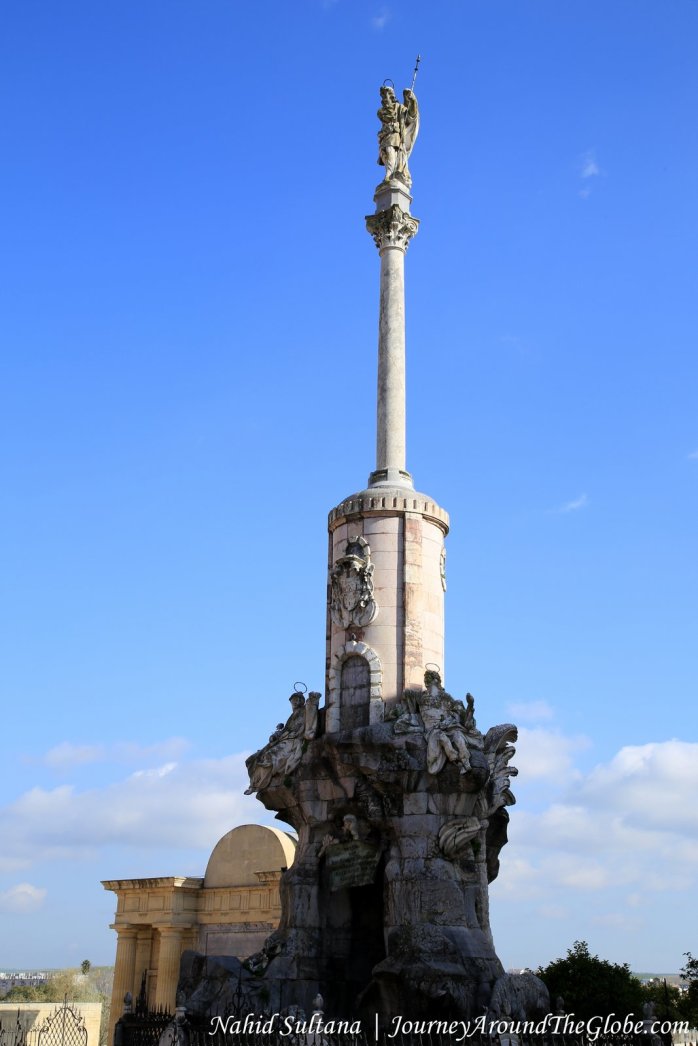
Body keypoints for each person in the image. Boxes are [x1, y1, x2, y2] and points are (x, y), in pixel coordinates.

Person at [377, 86, 419, 187]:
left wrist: (411, 100)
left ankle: (389, 175)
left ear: (391, 96)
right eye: (384, 96)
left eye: (387, 95)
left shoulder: (399, 108)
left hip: (395, 137)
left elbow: (411, 115)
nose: (385, 98)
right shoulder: (382, 111)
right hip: (384, 137)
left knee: (391, 153)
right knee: (386, 156)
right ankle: (389, 174)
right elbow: (386, 116)